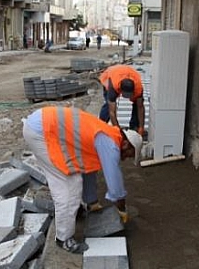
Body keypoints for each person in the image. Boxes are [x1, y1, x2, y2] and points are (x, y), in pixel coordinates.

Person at [23, 106, 143, 254]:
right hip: (42, 132)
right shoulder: (110, 144)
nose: (126, 159)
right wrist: (121, 207)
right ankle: (64, 239)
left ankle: (77, 210)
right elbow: (115, 182)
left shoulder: (107, 134)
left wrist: (91, 202)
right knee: (69, 187)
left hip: (43, 126)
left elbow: (88, 170)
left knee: (73, 178)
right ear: (126, 144)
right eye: (130, 155)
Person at [98, 64, 146, 136]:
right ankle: (101, 126)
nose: (127, 97)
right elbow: (112, 112)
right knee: (108, 106)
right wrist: (118, 130)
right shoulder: (113, 86)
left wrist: (141, 127)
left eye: (130, 95)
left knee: (137, 103)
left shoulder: (138, 87)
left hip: (127, 72)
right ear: (120, 89)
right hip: (110, 74)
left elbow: (140, 107)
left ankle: (134, 127)